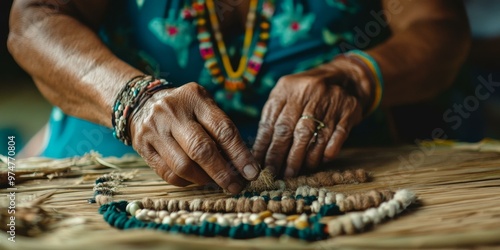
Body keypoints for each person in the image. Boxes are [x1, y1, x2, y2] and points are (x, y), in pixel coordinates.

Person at [8, 0, 470, 194]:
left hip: (342, 184)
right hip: (115, 178)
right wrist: (133, 101)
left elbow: (439, 27)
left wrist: (356, 75)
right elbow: (33, 20)